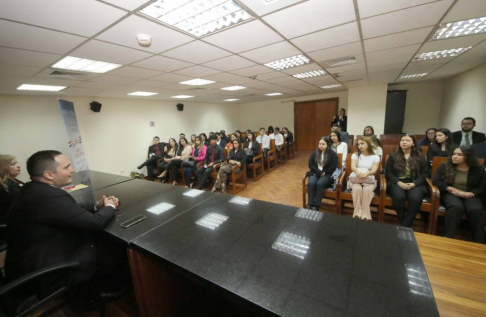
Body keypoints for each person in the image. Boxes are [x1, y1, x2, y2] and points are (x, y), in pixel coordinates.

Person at [5, 150, 121, 298]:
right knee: (109, 244)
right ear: (49, 175)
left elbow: (69, 209)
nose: (72, 170)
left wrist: (98, 205)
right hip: (43, 269)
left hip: (27, 259)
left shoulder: (31, 188)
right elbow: (94, 222)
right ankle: (107, 288)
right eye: (67, 167)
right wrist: (110, 206)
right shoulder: (50, 197)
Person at [433, 147, 486, 243]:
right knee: (455, 207)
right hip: (451, 193)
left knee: (476, 210)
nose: (455, 157)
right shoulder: (445, 165)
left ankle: (479, 241)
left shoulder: (479, 169)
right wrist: (451, 189)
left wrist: (471, 193)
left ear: (468, 156)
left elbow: (482, 186)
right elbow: (436, 181)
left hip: (470, 194)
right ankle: (448, 237)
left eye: (459, 155)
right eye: (454, 154)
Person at [385, 135, 428, 227]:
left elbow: (425, 174)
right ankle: (405, 222)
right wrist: (399, 182)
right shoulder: (393, 155)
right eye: (402, 140)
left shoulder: (420, 156)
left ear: (413, 143)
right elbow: (389, 172)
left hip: (415, 182)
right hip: (397, 181)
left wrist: (414, 184)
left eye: (407, 140)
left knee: (415, 199)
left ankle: (405, 224)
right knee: (399, 197)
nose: (404, 142)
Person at [350, 137, 380, 220]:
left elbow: (374, 169)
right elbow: (353, 167)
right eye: (358, 144)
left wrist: (367, 173)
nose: (360, 146)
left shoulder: (375, 157)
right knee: (357, 189)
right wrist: (357, 172)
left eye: (362, 143)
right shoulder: (355, 155)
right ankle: (357, 213)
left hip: (368, 179)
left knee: (367, 190)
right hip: (357, 178)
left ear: (368, 144)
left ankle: (365, 215)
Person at [306, 137, 338, 211]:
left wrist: (325, 172)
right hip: (315, 173)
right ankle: (310, 203)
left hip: (327, 174)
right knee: (311, 183)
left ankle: (317, 205)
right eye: (320, 144)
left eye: (323, 144)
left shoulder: (333, 154)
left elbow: (333, 166)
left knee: (320, 184)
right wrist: (319, 172)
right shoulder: (314, 153)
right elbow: (310, 165)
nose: (321, 145)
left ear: (328, 144)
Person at [0, 155, 24, 224]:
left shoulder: (15, 181)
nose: (18, 166)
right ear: (3, 167)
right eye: (13, 164)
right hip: (9, 224)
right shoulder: (5, 185)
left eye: (17, 163)